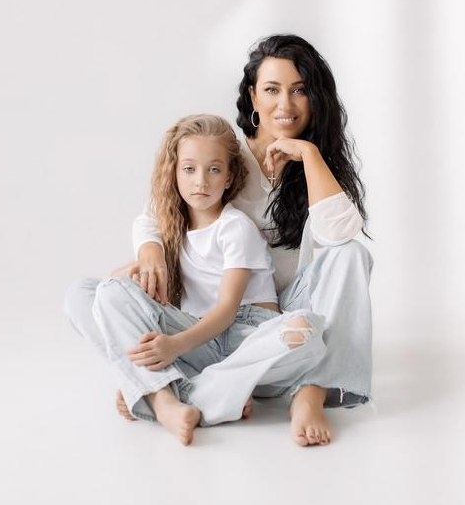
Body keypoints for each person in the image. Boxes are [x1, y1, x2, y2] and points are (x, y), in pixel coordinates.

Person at [131, 35, 373, 446]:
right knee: (106, 291)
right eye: (272, 90)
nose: (286, 104)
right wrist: (150, 249)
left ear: (315, 98)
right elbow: (155, 214)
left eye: (299, 90)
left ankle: (310, 392)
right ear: (253, 97)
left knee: (351, 254)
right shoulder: (227, 158)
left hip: (294, 310)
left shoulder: (316, 161)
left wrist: (308, 155)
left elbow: (340, 235)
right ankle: (169, 386)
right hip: (227, 317)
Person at [65, 114, 329, 445]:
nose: (200, 181)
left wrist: (175, 345)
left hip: (244, 334)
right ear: (174, 172)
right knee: (86, 293)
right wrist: (136, 274)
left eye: (213, 170)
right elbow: (111, 296)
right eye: (189, 169)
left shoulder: (235, 228)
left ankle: (155, 389)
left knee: (306, 329)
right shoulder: (173, 228)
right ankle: (165, 400)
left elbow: (227, 311)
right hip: (199, 336)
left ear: (229, 176)